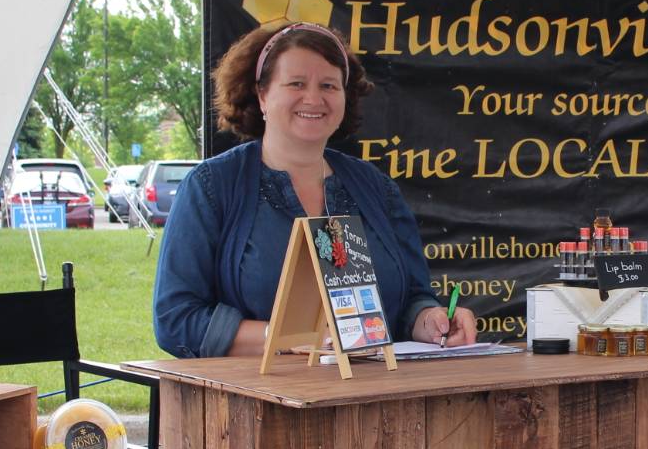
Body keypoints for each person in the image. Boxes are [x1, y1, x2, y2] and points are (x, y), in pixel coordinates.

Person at [152, 21, 478, 358]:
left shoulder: (377, 188)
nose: (313, 98)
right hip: (255, 391)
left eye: (328, 85)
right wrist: (284, 337)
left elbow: (411, 298)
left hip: (373, 389)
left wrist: (431, 320)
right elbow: (176, 320)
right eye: (296, 83)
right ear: (262, 95)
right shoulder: (211, 187)